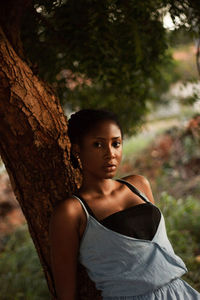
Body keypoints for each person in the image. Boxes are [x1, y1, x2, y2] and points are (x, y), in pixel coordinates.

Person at [49, 109, 200, 300]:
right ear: (77, 149)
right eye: (98, 145)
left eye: (116, 144)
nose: (110, 154)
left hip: (180, 293)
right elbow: (66, 294)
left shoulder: (138, 185)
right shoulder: (72, 211)